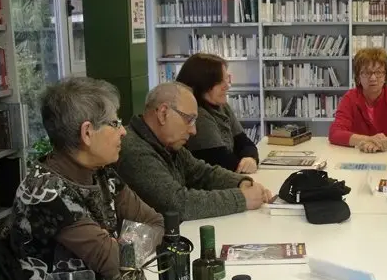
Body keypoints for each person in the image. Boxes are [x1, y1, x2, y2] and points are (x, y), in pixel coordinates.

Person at [11, 77, 164, 280]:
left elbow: (155, 222)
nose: (124, 133)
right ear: (87, 133)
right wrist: (127, 250)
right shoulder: (45, 191)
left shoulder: (101, 173)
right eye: (115, 124)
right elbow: (117, 263)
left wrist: (125, 248)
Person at [115, 81, 271, 220]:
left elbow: (202, 173)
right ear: (163, 113)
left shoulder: (166, 144)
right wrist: (241, 198)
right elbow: (177, 204)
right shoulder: (134, 150)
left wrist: (240, 182)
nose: (193, 130)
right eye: (189, 120)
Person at [177, 53, 260, 174]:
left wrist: (251, 159)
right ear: (202, 84)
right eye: (219, 82)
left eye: (226, 79)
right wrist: (245, 163)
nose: (227, 86)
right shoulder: (197, 114)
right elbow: (221, 161)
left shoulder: (222, 106)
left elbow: (244, 143)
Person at [328, 47, 387, 152]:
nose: (373, 78)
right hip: (357, 156)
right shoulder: (349, 98)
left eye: (378, 72)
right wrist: (368, 139)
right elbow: (335, 133)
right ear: (358, 77)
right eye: (366, 73)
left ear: (385, 76)